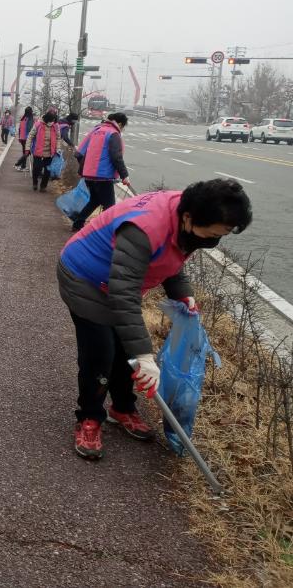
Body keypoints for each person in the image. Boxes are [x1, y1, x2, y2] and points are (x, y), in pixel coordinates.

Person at [57, 179, 252, 460]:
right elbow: (124, 294)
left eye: (221, 235)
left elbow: (172, 256)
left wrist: (182, 293)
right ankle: (90, 417)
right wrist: (145, 355)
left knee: (126, 352)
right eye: (212, 233)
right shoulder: (146, 228)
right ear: (189, 217)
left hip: (115, 282)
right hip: (83, 278)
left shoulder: (187, 215)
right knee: (101, 354)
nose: (213, 240)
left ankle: (122, 408)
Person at [70, 112, 132, 232]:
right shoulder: (113, 134)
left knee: (95, 201)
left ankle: (77, 223)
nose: (122, 129)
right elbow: (116, 157)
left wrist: (87, 168)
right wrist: (124, 175)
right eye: (123, 126)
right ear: (119, 123)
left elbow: (79, 153)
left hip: (89, 176)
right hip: (103, 177)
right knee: (110, 207)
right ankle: (105, 231)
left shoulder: (96, 130)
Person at [25, 110, 60, 192]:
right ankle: (35, 183)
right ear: (47, 119)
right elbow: (30, 136)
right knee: (37, 169)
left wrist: (58, 149)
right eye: (51, 121)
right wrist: (27, 148)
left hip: (50, 153)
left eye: (53, 121)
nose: (52, 122)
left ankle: (43, 186)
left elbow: (58, 138)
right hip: (38, 152)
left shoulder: (56, 126)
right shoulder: (38, 125)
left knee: (48, 171)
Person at [13, 106, 34, 171]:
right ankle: (17, 164)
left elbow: (19, 129)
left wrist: (19, 137)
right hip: (27, 138)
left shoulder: (23, 118)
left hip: (22, 138)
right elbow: (30, 129)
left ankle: (23, 166)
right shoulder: (30, 119)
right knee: (27, 153)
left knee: (25, 152)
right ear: (31, 112)